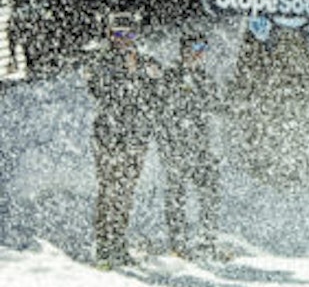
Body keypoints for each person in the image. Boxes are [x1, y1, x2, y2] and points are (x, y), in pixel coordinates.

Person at [85, 15, 159, 267]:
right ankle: (103, 246)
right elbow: (100, 92)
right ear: (110, 35)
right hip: (109, 136)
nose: (124, 40)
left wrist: (146, 75)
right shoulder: (100, 60)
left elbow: (155, 95)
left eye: (129, 34)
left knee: (126, 193)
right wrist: (128, 73)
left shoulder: (144, 60)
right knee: (108, 191)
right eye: (119, 34)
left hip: (135, 137)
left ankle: (119, 243)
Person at [155, 32, 221, 259]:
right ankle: (178, 242)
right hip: (176, 146)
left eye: (203, 49)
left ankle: (207, 241)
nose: (200, 54)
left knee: (209, 192)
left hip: (201, 146)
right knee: (176, 195)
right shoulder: (170, 76)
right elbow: (160, 111)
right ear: (184, 51)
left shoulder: (204, 78)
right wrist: (166, 144)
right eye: (196, 48)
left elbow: (214, 107)